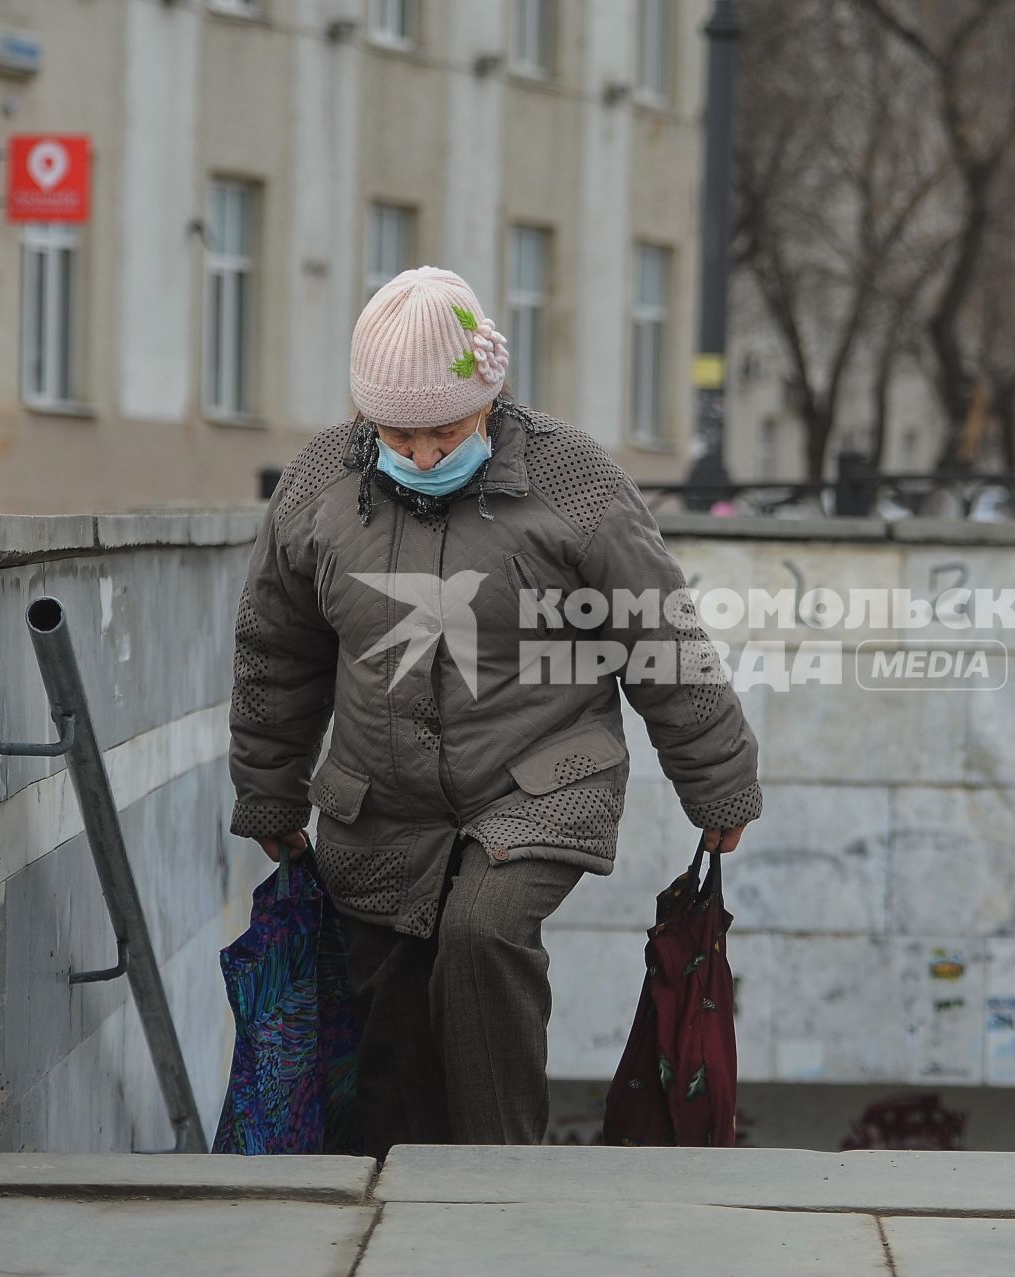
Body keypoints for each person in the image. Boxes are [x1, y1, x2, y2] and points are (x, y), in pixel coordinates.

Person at [227, 266, 762, 1154]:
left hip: (543, 776)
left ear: (490, 396)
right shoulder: (321, 483)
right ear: (365, 418)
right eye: (400, 434)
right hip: (379, 798)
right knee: (391, 1014)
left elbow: (659, 632)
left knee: (481, 933)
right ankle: (404, 1196)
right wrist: (269, 792)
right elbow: (276, 651)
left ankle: (501, 1176)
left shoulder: (573, 478)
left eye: (445, 430)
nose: (427, 454)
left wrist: (721, 787)